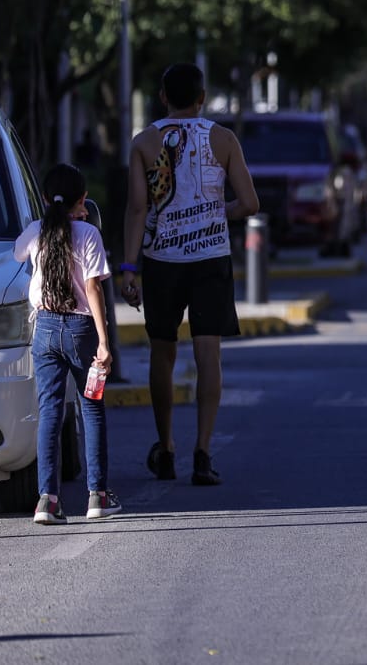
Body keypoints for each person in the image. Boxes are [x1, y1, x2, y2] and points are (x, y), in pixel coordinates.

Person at [119, 63, 259, 487]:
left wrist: (129, 268)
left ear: (163, 97)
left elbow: (138, 209)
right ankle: (202, 452)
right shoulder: (224, 139)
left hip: (161, 261)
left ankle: (166, 448)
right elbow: (249, 203)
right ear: (202, 98)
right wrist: (217, 213)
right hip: (210, 260)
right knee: (208, 355)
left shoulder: (144, 142)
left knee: (162, 353)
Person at [16, 163, 119, 524]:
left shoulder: (36, 231)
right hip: (81, 331)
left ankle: (47, 500)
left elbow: (17, 253)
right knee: (91, 408)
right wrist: (104, 342)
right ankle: (98, 496)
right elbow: (93, 288)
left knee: (50, 411)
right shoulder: (89, 233)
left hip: (44, 328)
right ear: (83, 199)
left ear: (45, 198)